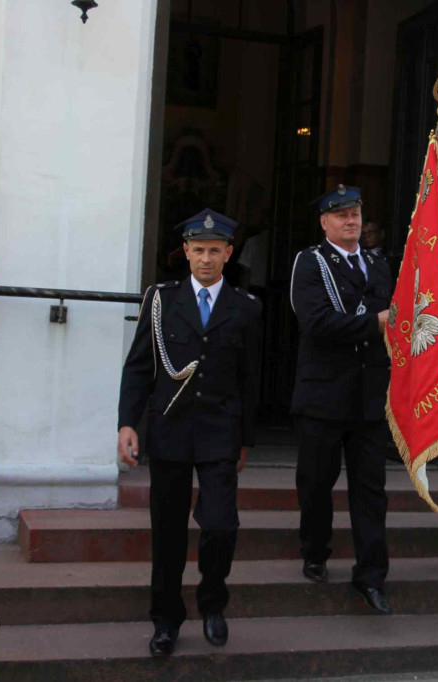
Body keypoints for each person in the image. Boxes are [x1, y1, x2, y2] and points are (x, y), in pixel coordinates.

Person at [117, 209, 262, 657]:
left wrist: (246, 439)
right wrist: (128, 423)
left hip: (220, 431)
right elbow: (140, 366)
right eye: (197, 250)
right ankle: (165, 620)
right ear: (185, 251)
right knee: (168, 533)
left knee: (221, 525)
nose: (205, 259)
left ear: (228, 253)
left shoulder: (246, 306)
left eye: (214, 250)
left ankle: (213, 602)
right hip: (170, 430)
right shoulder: (162, 300)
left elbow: (250, 379)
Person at [289, 184, 394, 615]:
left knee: (371, 491)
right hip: (324, 396)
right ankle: (315, 551)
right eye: (341, 215)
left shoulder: (377, 263)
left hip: (370, 397)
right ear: (324, 222)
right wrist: (375, 323)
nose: (351, 221)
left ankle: (371, 576)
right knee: (316, 482)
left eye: (356, 213)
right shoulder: (310, 262)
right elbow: (317, 322)